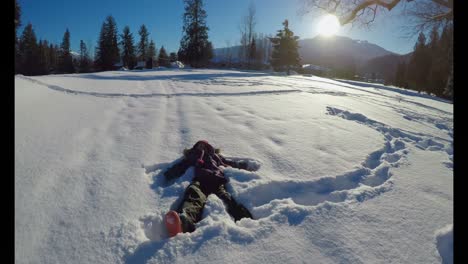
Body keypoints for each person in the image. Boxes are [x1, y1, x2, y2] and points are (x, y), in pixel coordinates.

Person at [164, 140, 254, 237]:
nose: (202, 147)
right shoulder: (194, 155)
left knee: (226, 198)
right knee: (193, 194)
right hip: (201, 179)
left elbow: (228, 162)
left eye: (204, 145)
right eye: (199, 145)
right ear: (195, 148)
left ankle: (244, 218)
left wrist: (243, 165)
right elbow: (183, 165)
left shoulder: (215, 156)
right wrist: (170, 173)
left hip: (216, 180)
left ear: (209, 147)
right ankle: (184, 221)